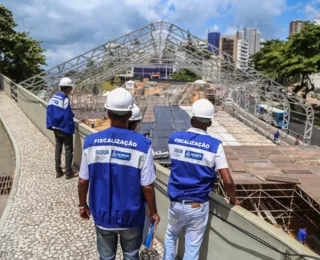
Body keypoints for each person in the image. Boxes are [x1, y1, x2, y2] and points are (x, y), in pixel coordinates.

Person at [78, 88, 160, 260]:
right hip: (131, 217)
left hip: (102, 214)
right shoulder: (143, 145)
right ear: (130, 114)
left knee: (106, 256)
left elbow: (83, 180)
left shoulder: (91, 142)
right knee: (131, 255)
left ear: (108, 112)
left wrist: (82, 204)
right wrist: (153, 212)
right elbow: (147, 186)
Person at [163, 99, 240, 260]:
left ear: (191, 119)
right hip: (197, 205)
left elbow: (179, 164)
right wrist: (233, 199)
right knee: (192, 248)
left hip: (176, 202)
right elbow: (227, 180)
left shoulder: (174, 138)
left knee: (171, 235)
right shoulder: (214, 145)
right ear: (210, 123)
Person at [46, 77, 78, 179]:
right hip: (64, 128)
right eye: (71, 88)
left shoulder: (53, 98)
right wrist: (71, 118)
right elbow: (67, 115)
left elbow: (49, 112)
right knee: (68, 150)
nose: (71, 90)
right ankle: (69, 172)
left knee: (58, 148)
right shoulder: (65, 99)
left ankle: (58, 171)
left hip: (55, 127)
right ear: (68, 89)